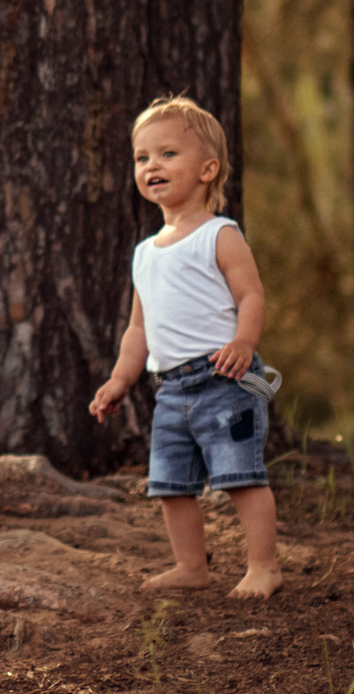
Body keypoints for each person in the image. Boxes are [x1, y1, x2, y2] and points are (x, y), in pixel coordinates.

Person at [88, 96, 285, 599]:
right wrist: (119, 379)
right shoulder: (144, 253)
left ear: (207, 169)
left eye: (168, 154)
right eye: (142, 157)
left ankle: (264, 566)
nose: (152, 165)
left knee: (241, 475)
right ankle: (191, 566)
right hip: (170, 390)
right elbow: (139, 329)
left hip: (225, 379)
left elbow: (251, 295)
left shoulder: (220, 234)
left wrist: (245, 341)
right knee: (170, 485)